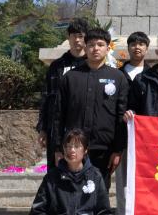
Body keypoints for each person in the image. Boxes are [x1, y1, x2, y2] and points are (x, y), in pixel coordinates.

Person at [53, 28, 128, 192]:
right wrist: (58, 148)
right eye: (91, 45)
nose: (96, 48)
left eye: (100, 45)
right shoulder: (70, 77)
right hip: (74, 148)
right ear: (85, 48)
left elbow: (121, 116)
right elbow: (59, 114)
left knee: (99, 193)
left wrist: (117, 150)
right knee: (71, 193)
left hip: (104, 150)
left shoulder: (118, 78)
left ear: (108, 48)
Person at [29, 128, 113, 215]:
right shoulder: (52, 178)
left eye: (76, 146)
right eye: (68, 146)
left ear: (85, 150)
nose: (72, 150)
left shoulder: (95, 176)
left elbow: (104, 211)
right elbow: (37, 211)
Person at [37, 19, 88, 162]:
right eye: (73, 36)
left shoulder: (91, 66)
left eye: (81, 36)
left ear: (86, 38)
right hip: (57, 127)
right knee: (57, 169)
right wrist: (43, 128)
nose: (77, 40)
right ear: (68, 38)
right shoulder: (57, 66)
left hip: (83, 125)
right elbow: (46, 96)